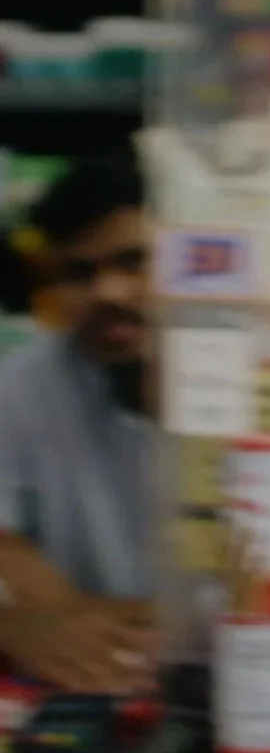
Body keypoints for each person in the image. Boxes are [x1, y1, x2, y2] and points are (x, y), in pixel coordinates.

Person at [0, 157, 155, 694]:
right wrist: (31, 621)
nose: (107, 293)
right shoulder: (23, 387)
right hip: (101, 691)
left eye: (135, 262)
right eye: (79, 274)